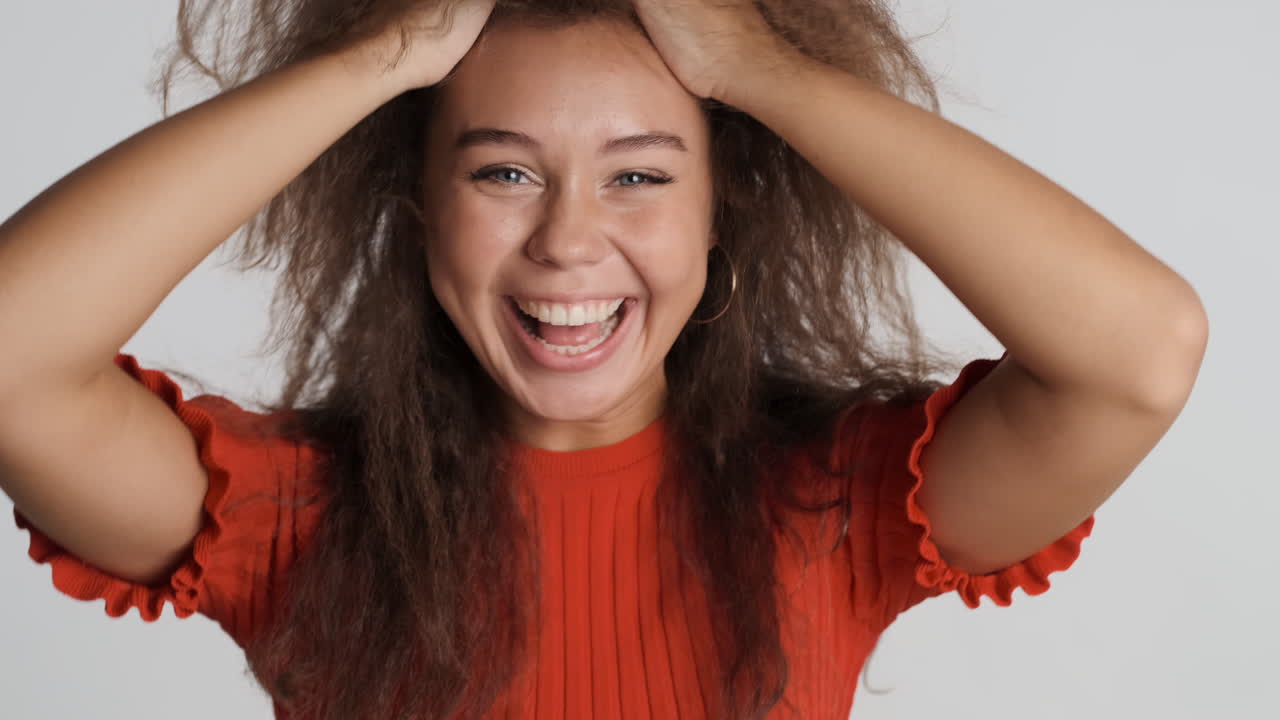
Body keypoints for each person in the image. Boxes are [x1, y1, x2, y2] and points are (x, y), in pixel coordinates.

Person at [0, 1, 1207, 718]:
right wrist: (384, 56)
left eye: (637, 174)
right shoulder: (295, 517)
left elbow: (1139, 352)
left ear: (719, 211)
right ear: (415, 211)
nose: (568, 239)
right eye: (501, 171)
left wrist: (763, 69)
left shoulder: (832, 508)